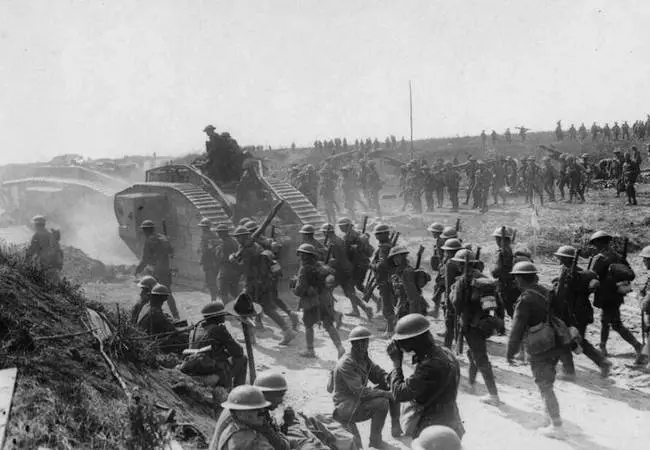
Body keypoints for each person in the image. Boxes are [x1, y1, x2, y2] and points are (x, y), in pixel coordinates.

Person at [506, 262, 566, 439]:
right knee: (547, 382)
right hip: (554, 341)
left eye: (516, 277)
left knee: (544, 385)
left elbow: (517, 328)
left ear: (520, 278)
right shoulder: (545, 291)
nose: (515, 281)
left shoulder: (525, 299)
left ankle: (557, 426)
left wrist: (510, 351)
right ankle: (549, 417)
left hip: (539, 346)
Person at [387, 313, 464, 440]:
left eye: (402, 340)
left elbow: (400, 394)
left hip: (433, 428)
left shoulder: (430, 366)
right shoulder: (444, 352)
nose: (398, 344)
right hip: (450, 420)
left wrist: (397, 364)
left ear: (414, 341)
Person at [332, 326, 400, 449]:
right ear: (353, 344)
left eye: (366, 341)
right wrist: (386, 393)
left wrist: (391, 380)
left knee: (392, 387)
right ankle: (374, 442)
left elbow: (378, 373)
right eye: (360, 342)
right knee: (357, 447)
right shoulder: (347, 363)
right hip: (346, 407)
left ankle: (380, 438)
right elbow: (361, 392)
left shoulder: (363, 357)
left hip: (357, 401)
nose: (364, 344)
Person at [449, 249, 501, 406]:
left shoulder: (462, 280)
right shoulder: (483, 278)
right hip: (483, 323)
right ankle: (471, 384)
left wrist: (452, 291)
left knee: (481, 358)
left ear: (460, 264)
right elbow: (496, 303)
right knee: (473, 354)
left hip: (471, 325)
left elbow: (456, 304)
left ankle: (494, 396)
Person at [551, 246, 612, 378]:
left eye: (561, 257)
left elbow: (564, 294)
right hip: (577, 312)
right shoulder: (574, 273)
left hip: (576, 314)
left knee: (572, 340)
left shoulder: (574, 274)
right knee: (573, 340)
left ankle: (570, 370)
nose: (559, 260)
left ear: (566, 259)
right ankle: (600, 363)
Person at [588, 231, 645, 364]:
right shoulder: (618, 256)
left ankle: (638, 346)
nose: (594, 246)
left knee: (615, 324)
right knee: (605, 320)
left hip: (606, 295)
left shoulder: (599, 258)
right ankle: (603, 346)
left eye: (595, 243)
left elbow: (591, 275)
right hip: (617, 294)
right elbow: (629, 272)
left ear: (598, 243)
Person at [291, 243, 345, 358]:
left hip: (311, 301)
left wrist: (293, 287)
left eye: (301, 254)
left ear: (303, 256)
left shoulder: (304, 269)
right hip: (325, 298)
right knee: (328, 324)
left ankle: (310, 350)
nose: (300, 257)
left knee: (308, 324)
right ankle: (340, 347)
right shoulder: (320, 266)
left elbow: (300, 290)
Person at [208, 385, 290, 450]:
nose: (262, 413)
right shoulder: (246, 439)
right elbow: (281, 446)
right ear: (241, 413)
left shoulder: (238, 421)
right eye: (257, 410)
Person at [188, 301, 248, 389]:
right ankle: (238, 390)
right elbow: (238, 352)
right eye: (222, 314)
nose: (224, 316)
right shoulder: (218, 330)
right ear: (217, 316)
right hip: (209, 369)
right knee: (242, 359)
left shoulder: (195, 328)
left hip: (194, 366)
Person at [322, 223, 372, 320]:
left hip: (340, 271)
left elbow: (337, 259)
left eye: (324, 233)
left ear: (326, 233)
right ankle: (363, 309)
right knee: (349, 292)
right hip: (345, 269)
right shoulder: (338, 239)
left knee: (327, 289)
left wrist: (328, 264)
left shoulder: (333, 242)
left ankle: (331, 313)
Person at [134, 220, 180, 319]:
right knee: (168, 293)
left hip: (157, 271)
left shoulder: (149, 241)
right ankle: (176, 315)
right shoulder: (162, 238)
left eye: (144, 230)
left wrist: (138, 269)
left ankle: (148, 314)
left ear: (146, 230)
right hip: (166, 270)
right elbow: (171, 252)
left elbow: (145, 259)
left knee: (149, 292)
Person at [137, 284, 187, 354]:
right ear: (164, 298)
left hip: (148, 338)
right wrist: (185, 330)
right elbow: (172, 330)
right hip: (154, 342)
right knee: (185, 338)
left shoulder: (150, 308)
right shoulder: (156, 312)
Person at [370, 224, 397, 335]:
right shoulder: (387, 245)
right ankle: (389, 326)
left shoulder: (384, 248)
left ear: (384, 234)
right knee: (387, 303)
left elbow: (381, 265)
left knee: (387, 305)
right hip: (387, 279)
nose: (376, 237)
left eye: (378, 234)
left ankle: (390, 330)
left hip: (385, 280)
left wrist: (372, 265)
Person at [389, 246, 427, 319]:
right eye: (393, 257)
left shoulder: (406, 272)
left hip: (409, 307)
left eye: (396, 257)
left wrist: (412, 316)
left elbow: (413, 298)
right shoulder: (400, 271)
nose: (394, 260)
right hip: (404, 305)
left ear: (402, 257)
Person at [26, 215, 63, 280]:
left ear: (36, 225)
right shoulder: (50, 234)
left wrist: (25, 264)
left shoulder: (37, 235)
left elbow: (31, 251)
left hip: (45, 266)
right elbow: (59, 250)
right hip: (55, 266)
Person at [214, 224, 241, 304]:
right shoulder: (234, 241)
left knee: (223, 292)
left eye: (219, 232)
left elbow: (221, 258)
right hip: (235, 270)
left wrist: (217, 251)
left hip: (226, 270)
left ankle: (227, 308)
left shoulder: (224, 244)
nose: (218, 234)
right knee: (234, 292)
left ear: (223, 233)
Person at [199, 218, 220, 301]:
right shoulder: (210, 235)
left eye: (204, 227)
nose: (202, 229)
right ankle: (215, 296)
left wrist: (203, 258)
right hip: (210, 262)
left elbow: (209, 250)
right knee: (210, 282)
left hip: (211, 262)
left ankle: (214, 298)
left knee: (211, 282)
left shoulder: (209, 236)